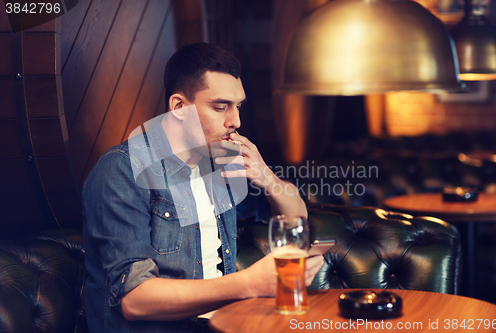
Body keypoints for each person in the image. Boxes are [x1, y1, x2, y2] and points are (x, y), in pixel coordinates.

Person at [82, 42, 323, 333]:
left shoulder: (219, 164)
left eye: (238, 107)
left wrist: (267, 177)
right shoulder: (122, 169)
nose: (235, 121)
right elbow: (134, 300)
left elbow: (297, 216)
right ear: (179, 107)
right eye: (220, 107)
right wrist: (248, 284)